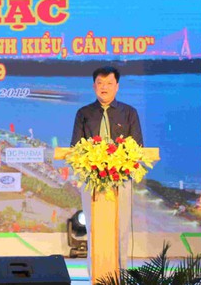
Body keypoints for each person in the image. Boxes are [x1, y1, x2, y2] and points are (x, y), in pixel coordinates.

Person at [70, 66, 143, 272]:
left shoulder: (129, 113)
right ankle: (95, 275)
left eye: (109, 83)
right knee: (94, 229)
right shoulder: (83, 113)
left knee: (121, 229)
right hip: (92, 181)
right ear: (94, 86)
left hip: (121, 180)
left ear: (117, 86)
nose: (104, 87)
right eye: (100, 83)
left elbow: (138, 147)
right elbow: (75, 147)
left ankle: (120, 275)